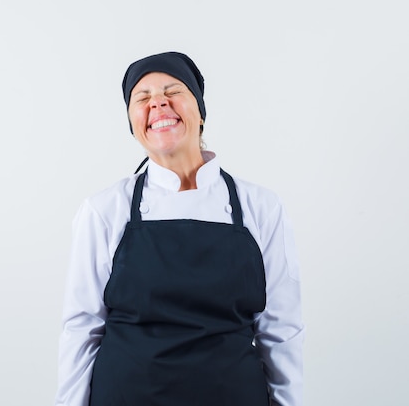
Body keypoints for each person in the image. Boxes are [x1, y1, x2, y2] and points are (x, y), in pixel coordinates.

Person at [54, 52, 304, 406]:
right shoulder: (105, 210)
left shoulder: (261, 207)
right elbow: (81, 329)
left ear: (200, 112)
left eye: (173, 91)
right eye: (142, 98)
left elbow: (281, 332)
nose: (158, 102)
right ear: (133, 123)